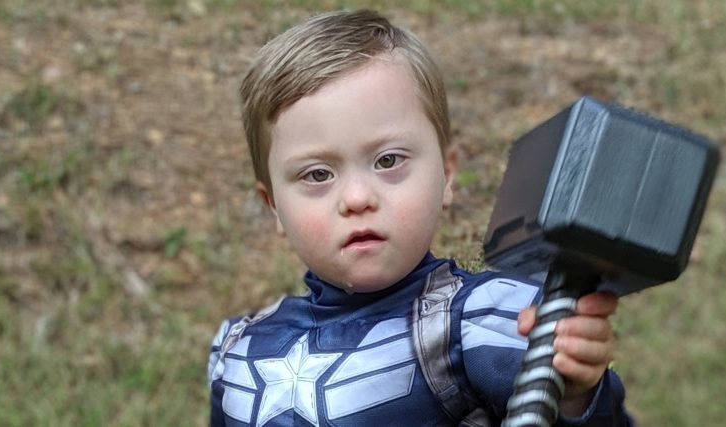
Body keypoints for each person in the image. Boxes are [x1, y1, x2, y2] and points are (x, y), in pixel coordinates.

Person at [208, 9, 632, 426]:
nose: (357, 198)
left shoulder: (485, 323)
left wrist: (576, 397)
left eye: (388, 160)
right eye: (318, 174)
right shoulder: (238, 352)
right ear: (274, 206)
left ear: (446, 174)